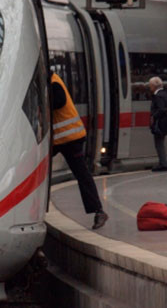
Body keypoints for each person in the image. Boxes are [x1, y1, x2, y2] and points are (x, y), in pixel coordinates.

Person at [51, 71, 109, 230]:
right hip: (59, 139)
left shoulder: (54, 82)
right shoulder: (52, 81)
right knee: (37, 170)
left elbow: (59, 101)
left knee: (82, 174)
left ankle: (99, 211)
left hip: (71, 138)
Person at [149, 76, 167, 172]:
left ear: (154, 86)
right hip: (164, 124)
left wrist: (154, 116)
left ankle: (163, 164)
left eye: (150, 85)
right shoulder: (165, 94)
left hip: (160, 125)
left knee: (159, 144)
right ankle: (163, 163)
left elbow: (161, 109)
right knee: (160, 143)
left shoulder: (158, 96)